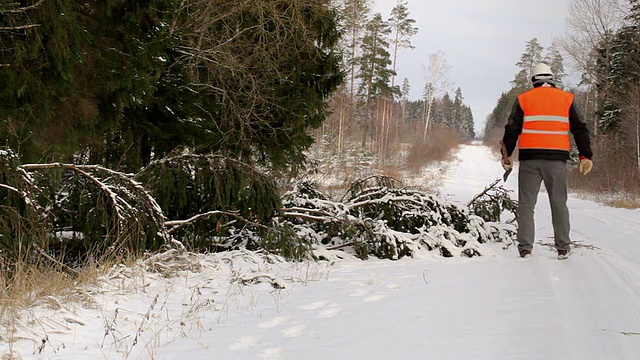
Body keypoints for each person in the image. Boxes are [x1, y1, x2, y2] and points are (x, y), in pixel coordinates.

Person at [501, 63, 593, 260]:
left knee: (526, 204)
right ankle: (562, 247)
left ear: (533, 80)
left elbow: (512, 129)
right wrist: (585, 156)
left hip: (529, 160)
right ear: (552, 79)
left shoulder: (524, 99)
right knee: (559, 203)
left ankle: (525, 248)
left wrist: (506, 156)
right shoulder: (566, 99)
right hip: (557, 161)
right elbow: (580, 128)